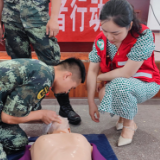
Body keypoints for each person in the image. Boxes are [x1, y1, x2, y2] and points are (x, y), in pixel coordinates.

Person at [87, 0, 160, 147]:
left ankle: (129, 124)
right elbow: (92, 70)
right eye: (105, 30)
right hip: (119, 82)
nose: (109, 37)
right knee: (104, 93)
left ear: (130, 25)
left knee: (119, 85)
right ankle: (123, 117)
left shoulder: (143, 36)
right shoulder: (101, 40)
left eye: (115, 33)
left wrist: (99, 78)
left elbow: (127, 73)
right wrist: (90, 103)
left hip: (146, 82)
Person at [0, 0, 82, 125]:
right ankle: (29, 108)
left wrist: (54, 18)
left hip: (38, 19)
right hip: (11, 19)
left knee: (53, 64)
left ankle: (65, 107)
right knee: (20, 66)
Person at [0, 57, 86, 159]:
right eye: (71, 88)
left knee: (18, 141)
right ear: (67, 76)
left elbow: (20, 112)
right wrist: (41, 114)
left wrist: (41, 118)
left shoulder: (43, 71)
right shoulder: (43, 78)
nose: (67, 91)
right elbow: (7, 117)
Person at [30, 116, 106, 160]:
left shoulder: (41, 140)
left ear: (48, 133)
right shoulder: (80, 137)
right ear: (69, 130)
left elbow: (30, 153)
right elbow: (94, 153)